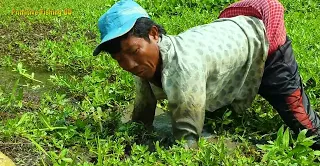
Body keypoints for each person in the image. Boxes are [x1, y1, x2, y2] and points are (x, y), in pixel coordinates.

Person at [93, 0, 320, 149]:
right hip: (232, 53)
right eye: (119, 59)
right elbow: (144, 108)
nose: (129, 64)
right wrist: (136, 133)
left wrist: (181, 155)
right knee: (214, 114)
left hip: (264, 46)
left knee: (308, 129)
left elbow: (187, 140)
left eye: (133, 52)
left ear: (153, 34)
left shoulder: (184, 66)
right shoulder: (143, 61)